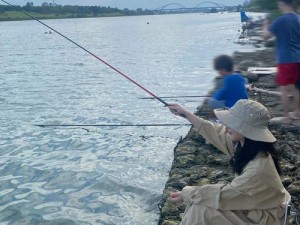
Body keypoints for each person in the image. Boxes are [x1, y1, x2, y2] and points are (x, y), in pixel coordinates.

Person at [168, 100, 289, 225]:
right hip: (256, 207)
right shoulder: (249, 147)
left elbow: (224, 194)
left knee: (200, 210)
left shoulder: (257, 169)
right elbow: (216, 132)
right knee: (199, 206)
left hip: (265, 218)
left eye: (232, 123)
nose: (226, 126)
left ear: (245, 130)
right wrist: (186, 114)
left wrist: (187, 194)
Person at [263, 0, 300, 124]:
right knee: (296, 88)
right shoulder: (298, 18)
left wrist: (265, 24)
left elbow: (266, 36)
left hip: (285, 59)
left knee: (284, 88)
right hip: (298, 57)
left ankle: (286, 117)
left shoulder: (280, 20)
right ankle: (297, 112)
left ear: (283, 4)